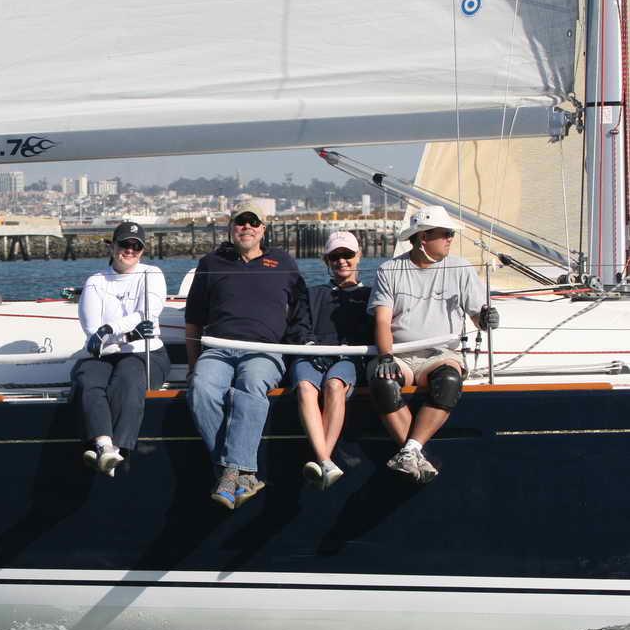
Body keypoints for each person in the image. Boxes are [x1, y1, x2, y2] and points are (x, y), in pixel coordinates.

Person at [185, 203, 311, 510]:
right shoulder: (211, 263)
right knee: (201, 388)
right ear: (231, 227)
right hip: (217, 348)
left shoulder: (283, 262)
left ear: (263, 229)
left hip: (264, 350)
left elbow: (301, 309)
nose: (247, 227)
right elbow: (193, 319)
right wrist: (192, 364)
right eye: (240, 222)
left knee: (251, 385)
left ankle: (228, 473)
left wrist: (297, 349)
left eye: (254, 222)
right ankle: (240, 473)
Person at [367, 205, 499, 483]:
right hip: (399, 354)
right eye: (446, 233)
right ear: (423, 237)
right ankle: (416, 454)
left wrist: (487, 319)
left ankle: (410, 451)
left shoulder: (461, 268)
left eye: (451, 233)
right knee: (383, 382)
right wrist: (386, 356)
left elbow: (478, 318)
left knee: (449, 380)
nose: (451, 238)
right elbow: (382, 320)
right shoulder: (389, 270)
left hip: (440, 355)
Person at [74, 222, 169, 477]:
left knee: (127, 377)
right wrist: (126, 335)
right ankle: (105, 446)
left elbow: (147, 313)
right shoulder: (95, 281)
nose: (130, 250)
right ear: (111, 246)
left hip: (146, 353)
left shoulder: (152, 274)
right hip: (105, 354)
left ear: (143, 251)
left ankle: (116, 450)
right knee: (87, 379)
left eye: (136, 246)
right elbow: (92, 332)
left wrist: (109, 330)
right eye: (124, 244)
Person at [290, 231, 373, 490]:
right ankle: (326, 461)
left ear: (358, 256)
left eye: (347, 255)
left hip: (349, 357)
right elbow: (299, 327)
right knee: (305, 387)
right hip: (313, 355)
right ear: (326, 260)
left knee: (335, 385)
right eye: (335, 256)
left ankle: (321, 460)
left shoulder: (370, 295)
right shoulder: (311, 293)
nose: (342, 261)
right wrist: (310, 346)